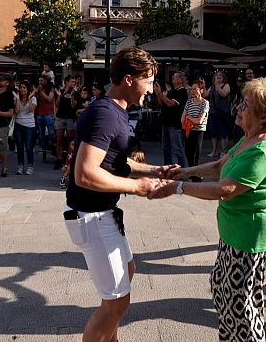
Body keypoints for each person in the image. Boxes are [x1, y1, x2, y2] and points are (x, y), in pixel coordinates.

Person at [150, 77, 266, 341]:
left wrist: (177, 188)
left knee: (240, 304)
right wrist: (182, 172)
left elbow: (223, 189)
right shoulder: (249, 139)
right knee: (222, 289)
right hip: (234, 232)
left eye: (246, 105)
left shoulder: (262, 149)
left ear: (263, 116)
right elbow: (219, 166)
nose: (238, 107)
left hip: (250, 237)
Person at [63, 47, 177, 342]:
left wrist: (155, 171)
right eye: (148, 81)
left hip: (104, 215)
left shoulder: (113, 110)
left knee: (128, 270)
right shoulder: (105, 113)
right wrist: (138, 187)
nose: (151, 90)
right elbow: (85, 173)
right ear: (129, 79)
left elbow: (113, 160)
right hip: (93, 217)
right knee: (116, 302)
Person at [156, 72, 189, 168]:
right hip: (165, 122)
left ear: (180, 80)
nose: (172, 78)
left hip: (174, 124)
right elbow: (162, 103)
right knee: (166, 148)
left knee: (178, 148)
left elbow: (171, 104)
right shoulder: (172, 91)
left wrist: (160, 93)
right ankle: (168, 167)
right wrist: (159, 94)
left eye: (175, 77)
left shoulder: (182, 92)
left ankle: (182, 169)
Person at [205, 70, 233, 158]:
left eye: (220, 76)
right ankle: (214, 151)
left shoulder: (226, 85)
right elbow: (205, 95)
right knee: (214, 133)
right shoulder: (212, 87)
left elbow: (224, 94)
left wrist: (218, 86)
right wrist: (203, 86)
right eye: (217, 76)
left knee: (223, 133)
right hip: (213, 113)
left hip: (223, 113)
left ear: (223, 78)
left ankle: (223, 151)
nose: (218, 77)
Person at [54, 76, 80, 169]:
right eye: (72, 81)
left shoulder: (76, 93)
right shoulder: (60, 91)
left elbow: (74, 106)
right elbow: (56, 105)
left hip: (70, 118)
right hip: (60, 117)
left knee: (70, 140)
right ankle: (59, 159)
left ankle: (68, 161)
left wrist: (72, 95)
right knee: (59, 139)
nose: (74, 83)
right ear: (66, 82)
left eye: (74, 82)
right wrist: (60, 95)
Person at [182, 82, 210, 168]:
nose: (192, 91)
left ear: (201, 90)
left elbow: (199, 121)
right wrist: (190, 119)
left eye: (195, 89)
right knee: (187, 152)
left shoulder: (205, 103)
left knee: (195, 153)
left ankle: (194, 171)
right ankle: (192, 170)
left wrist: (188, 117)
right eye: (192, 89)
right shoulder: (188, 102)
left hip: (198, 131)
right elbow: (182, 119)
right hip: (188, 130)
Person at [14, 80, 38, 175]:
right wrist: (17, 100)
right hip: (18, 124)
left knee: (28, 147)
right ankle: (20, 166)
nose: (22, 89)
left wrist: (28, 98)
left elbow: (31, 110)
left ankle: (30, 166)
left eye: (24, 87)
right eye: (21, 87)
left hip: (29, 125)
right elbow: (16, 111)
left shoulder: (33, 98)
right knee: (19, 147)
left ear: (28, 89)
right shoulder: (17, 98)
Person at [35, 75, 56, 152]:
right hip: (40, 113)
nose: (40, 82)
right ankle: (42, 148)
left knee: (51, 133)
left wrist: (41, 92)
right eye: (39, 81)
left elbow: (49, 99)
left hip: (49, 114)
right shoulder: (39, 89)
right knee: (41, 133)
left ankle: (53, 147)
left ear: (46, 81)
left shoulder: (51, 88)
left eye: (41, 81)